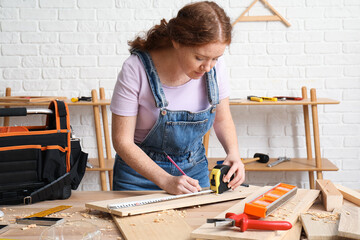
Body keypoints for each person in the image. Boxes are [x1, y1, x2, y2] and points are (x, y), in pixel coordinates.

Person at [110, 1, 245, 195]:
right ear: (177, 42)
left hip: (193, 173)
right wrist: (165, 180)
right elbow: (122, 141)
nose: (208, 67)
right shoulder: (136, 69)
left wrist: (233, 153)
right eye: (199, 58)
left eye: (215, 58)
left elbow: (222, 120)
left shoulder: (214, 67)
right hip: (138, 177)